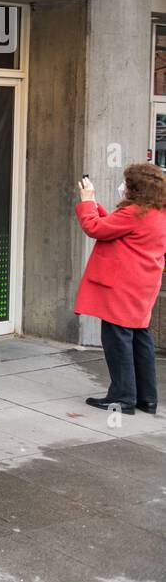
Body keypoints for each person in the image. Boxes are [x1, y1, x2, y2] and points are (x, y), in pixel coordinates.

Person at [73, 163, 166, 415]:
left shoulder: (134, 213)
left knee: (118, 339)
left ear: (136, 189)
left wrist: (87, 200)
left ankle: (122, 398)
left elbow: (95, 228)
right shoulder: (157, 212)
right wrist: (95, 207)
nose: (123, 187)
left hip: (122, 286)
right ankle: (146, 399)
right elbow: (114, 226)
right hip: (143, 286)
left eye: (127, 183)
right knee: (140, 339)